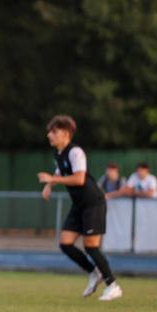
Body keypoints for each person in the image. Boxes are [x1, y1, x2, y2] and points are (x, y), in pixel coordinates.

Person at [38, 115, 122, 301]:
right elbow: (60, 171)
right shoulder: (58, 154)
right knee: (65, 243)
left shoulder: (76, 152)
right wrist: (49, 185)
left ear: (66, 134)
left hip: (93, 202)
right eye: (49, 132)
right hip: (79, 205)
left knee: (91, 246)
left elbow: (79, 179)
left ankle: (113, 285)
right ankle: (94, 272)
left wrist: (52, 179)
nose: (49, 135)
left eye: (54, 132)